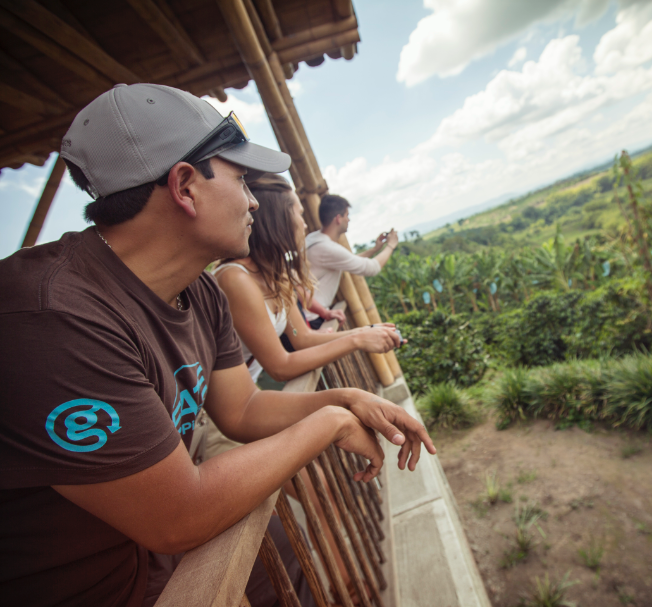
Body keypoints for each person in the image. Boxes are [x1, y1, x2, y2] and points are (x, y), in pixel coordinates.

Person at [0, 83, 435, 607]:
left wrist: (345, 399)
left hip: (155, 564)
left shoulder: (198, 290)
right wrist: (331, 422)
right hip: (84, 589)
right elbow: (177, 515)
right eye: (241, 178)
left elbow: (241, 407)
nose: (254, 200)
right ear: (185, 186)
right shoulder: (49, 317)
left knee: (286, 558)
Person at [212, 173, 401, 384]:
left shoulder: (277, 274)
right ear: (279, 220)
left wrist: (365, 331)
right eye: (299, 214)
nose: (304, 225)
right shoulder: (235, 279)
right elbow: (280, 367)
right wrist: (357, 339)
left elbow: (303, 338)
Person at [304, 194, 399, 329]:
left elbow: (347, 259)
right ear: (338, 218)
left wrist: (375, 249)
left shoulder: (313, 239)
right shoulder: (326, 248)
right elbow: (371, 268)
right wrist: (391, 245)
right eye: (346, 215)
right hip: (312, 318)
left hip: (308, 314)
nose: (349, 219)